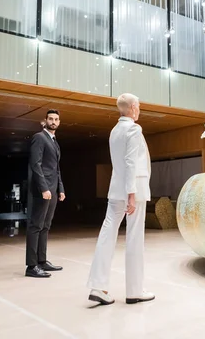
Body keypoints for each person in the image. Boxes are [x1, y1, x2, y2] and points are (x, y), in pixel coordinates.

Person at [86, 93, 155, 306]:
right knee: (135, 238)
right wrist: (132, 195)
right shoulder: (134, 129)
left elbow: (121, 163)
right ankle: (134, 290)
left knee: (107, 233)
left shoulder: (115, 130)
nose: (140, 109)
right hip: (133, 191)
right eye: (139, 105)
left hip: (115, 190)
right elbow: (131, 162)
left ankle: (98, 287)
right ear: (133, 107)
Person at [25, 109, 66, 278]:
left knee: (46, 226)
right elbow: (36, 165)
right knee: (36, 226)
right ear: (45, 120)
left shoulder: (54, 141)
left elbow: (56, 169)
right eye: (51, 119)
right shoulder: (39, 138)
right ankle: (31, 266)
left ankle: (42, 261)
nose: (53, 121)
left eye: (56, 119)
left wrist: (61, 189)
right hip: (43, 190)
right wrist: (43, 188)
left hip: (53, 189)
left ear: (59, 122)